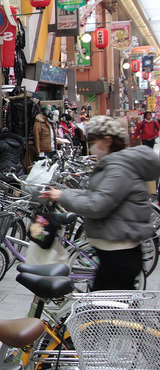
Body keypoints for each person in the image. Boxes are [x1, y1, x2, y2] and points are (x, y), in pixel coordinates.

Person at [42, 115, 160, 290]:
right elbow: (97, 195)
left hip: (119, 252)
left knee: (112, 311)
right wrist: (64, 193)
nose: (90, 146)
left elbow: (97, 205)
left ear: (108, 140)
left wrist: (63, 197)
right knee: (106, 309)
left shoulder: (119, 169)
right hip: (113, 251)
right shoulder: (116, 164)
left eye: (92, 141)